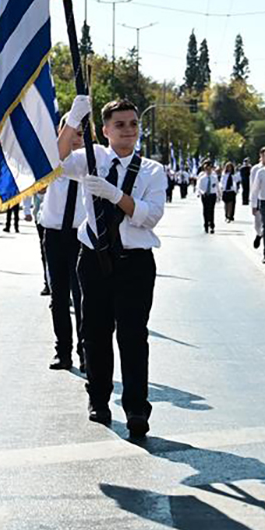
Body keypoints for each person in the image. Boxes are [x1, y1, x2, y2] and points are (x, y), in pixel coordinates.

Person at [57, 95, 167, 439]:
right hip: (94, 258)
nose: (128, 130)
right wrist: (73, 120)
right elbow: (56, 160)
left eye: (133, 123)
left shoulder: (152, 170)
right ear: (105, 130)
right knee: (95, 332)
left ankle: (136, 408)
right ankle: (99, 399)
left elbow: (150, 216)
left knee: (133, 336)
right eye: (119, 124)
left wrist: (114, 194)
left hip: (135, 262)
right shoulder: (92, 158)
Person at [40, 119, 86, 371]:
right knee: (58, 297)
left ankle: (85, 351)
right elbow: (37, 186)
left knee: (83, 297)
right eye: (70, 133)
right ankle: (63, 351)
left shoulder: (93, 161)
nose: (76, 139)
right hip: (55, 234)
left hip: (81, 236)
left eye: (80, 134)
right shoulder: (51, 159)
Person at [249, 147, 265, 249]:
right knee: (257, 223)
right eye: (263, 155)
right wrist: (253, 203)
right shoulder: (255, 169)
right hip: (258, 198)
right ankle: (259, 234)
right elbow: (253, 187)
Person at [196, 159, 219, 234]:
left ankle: (212, 225)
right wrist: (201, 192)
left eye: (210, 169)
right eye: (207, 169)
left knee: (211, 210)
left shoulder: (214, 178)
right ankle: (206, 225)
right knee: (205, 210)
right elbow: (199, 187)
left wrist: (219, 195)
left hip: (212, 195)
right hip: (205, 195)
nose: (208, 171)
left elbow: (217, 187)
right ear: (205, 170)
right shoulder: (202, 178)